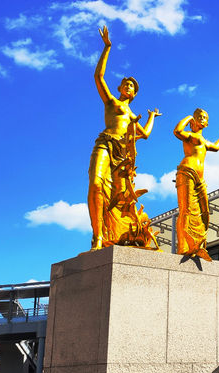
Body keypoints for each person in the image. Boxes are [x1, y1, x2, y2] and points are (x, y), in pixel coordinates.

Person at [88, 25, 161, 250]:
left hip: (123, 156)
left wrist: (151, 117)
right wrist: (107, 47)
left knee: (118, 198)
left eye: (133, 87)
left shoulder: (131, 115)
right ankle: (98, 237)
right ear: (120, 87)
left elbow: (145, 134)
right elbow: (98, 76)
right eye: (127, 84)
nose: (129, 87)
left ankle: (113, 233)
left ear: (134, 94)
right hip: (105, 143)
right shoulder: (112, 102)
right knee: (96, 185)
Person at [173, 109, 219, 260]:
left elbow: (216, 147)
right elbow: (177, 131)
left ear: (206, 123)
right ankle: (183, 246)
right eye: (198, 117)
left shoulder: (205, 142)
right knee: (186, 210)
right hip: (187, 173)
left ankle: (197, 245)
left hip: (200, 180)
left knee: (203, 213)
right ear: (193, 121)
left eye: (204, 118)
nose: (201, 119)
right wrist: (189, 117)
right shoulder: (189, 136)